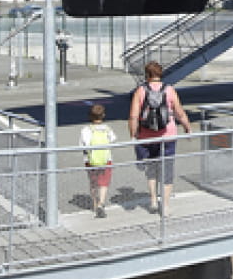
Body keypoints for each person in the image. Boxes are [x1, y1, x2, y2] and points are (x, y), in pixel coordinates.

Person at [127, 61, 192, 216]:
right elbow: (179, 113)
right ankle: (166, 206)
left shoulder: (140, 91)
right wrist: (187, 128)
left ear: (147, 75)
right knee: (167, 170)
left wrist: (133, 135)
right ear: (160, 74)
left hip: (147, 137)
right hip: (167, 135)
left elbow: (133, 116)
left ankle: (153, 201)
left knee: (151, 169)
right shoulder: (169, 90)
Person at [80, 103, 116, 218]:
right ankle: (101, 204)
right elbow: (113, 139)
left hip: (91, 160)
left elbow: (82, 145)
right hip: (106, 159)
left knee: (93, 183)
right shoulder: (107, 129)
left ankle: (95, 205)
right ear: (103, 115)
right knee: (104, 183)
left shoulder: (86, 130)